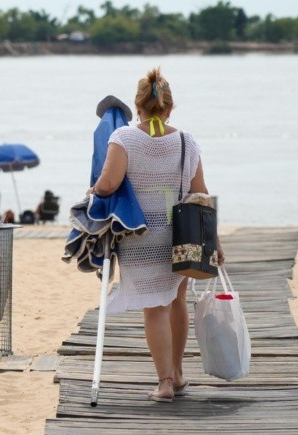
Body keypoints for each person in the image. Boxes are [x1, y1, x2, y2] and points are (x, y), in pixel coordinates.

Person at [87, 66, 224, 402]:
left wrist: (94, 190)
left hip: (140, 237)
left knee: (154, 307)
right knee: (176, 300)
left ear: (138, 106)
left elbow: (109, 184)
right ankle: (177, 374)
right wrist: (215, 240)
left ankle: (163, 383)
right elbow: (200, 194)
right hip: (181, 235)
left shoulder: (123, 139)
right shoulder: (186, 142)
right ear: (170, 107)